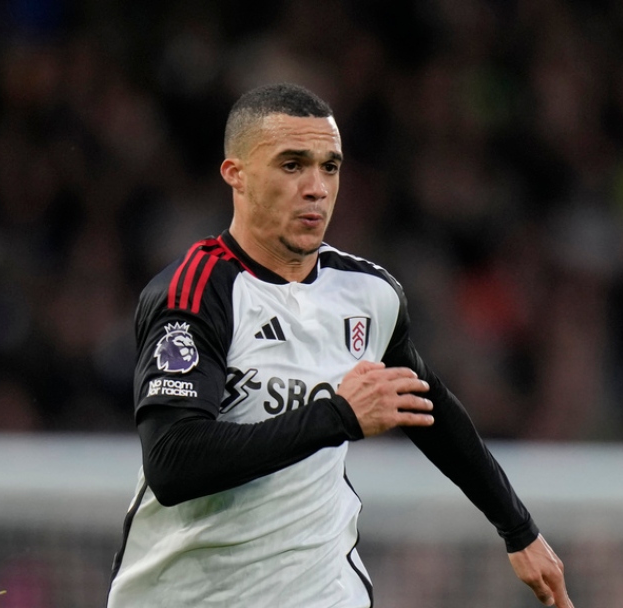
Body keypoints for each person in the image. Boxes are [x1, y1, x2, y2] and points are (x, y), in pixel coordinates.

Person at [108, 83, 572, 608]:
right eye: (291, 165)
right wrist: (338, 417)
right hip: (190, 595)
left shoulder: (367, 294)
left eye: (329, 167)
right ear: (234, 174)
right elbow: (173, 464)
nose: (316, 187)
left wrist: (519, 530)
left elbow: (428, 406)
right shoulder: (196, 294)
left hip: (322, 592)